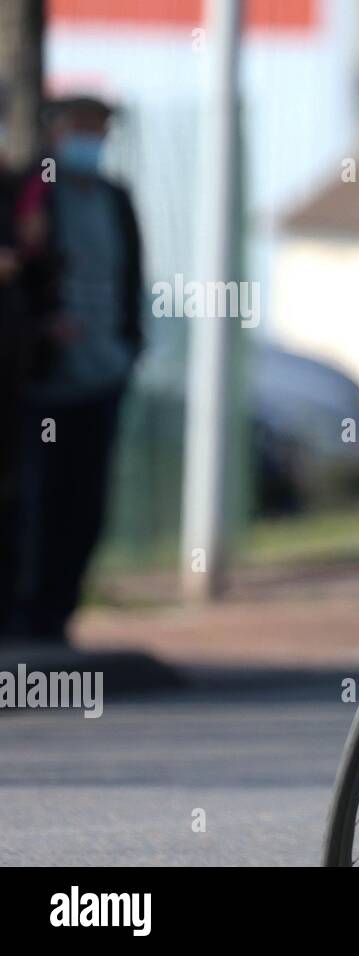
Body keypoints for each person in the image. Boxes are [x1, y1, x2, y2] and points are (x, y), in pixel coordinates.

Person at [2, 95, 143, 644]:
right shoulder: (31, 193)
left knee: (86, 506)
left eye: (101, 130)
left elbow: (129, 276)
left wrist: (128, 346)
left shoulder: (114, 199)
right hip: (42, 383)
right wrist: (42, 330)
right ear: (56, 132)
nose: (94, 141)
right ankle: (26, 618)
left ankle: (59, 615)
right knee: (36, 502)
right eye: (84, 128)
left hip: (103, 377)